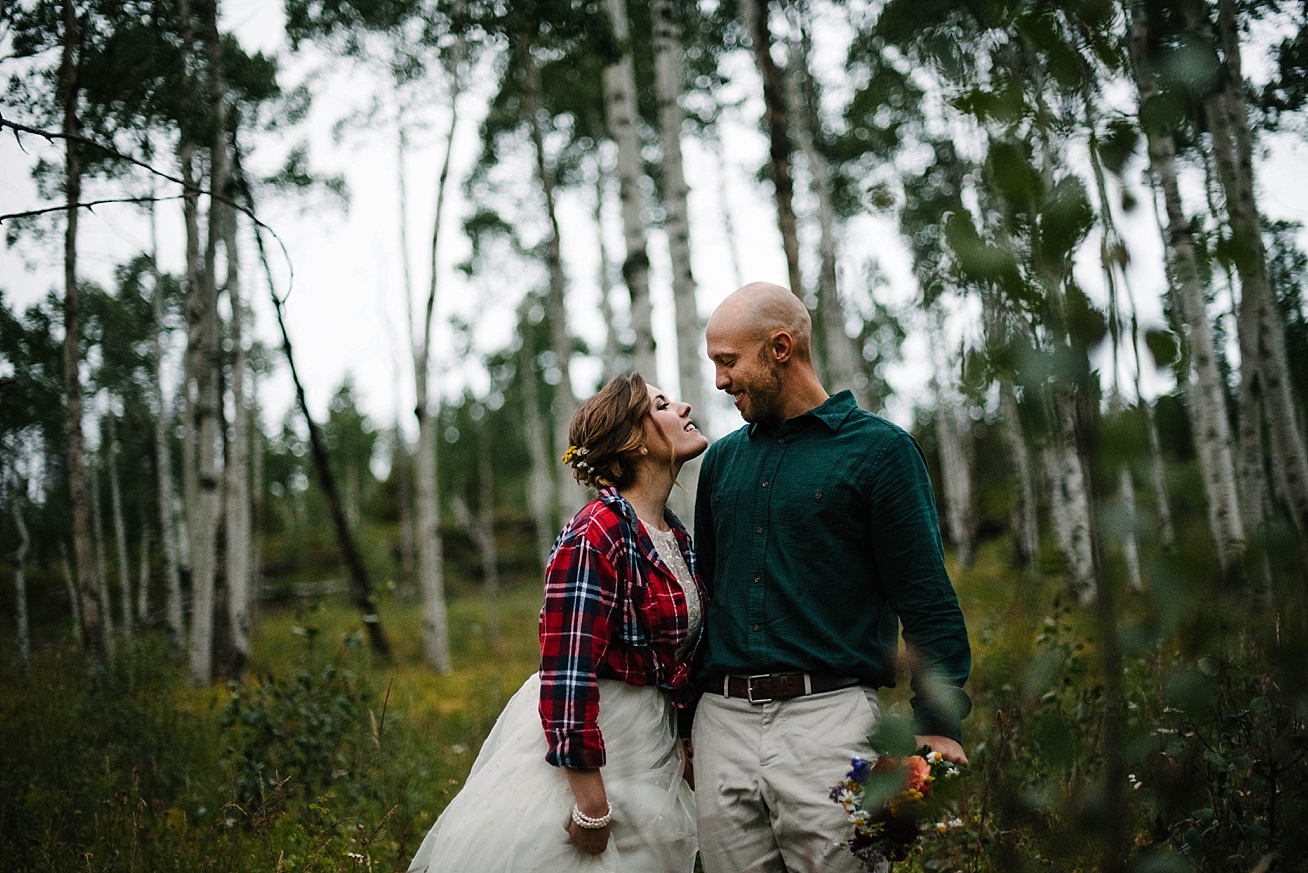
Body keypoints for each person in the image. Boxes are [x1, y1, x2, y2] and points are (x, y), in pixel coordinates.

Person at [691, 282, 972, 873]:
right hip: (722, 725)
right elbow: (706, 597)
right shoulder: (721, 461)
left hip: (830, 722)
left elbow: (925, 599)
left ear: (781, 348)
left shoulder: (880, 452)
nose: (719, 382)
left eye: (728, 361)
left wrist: (938, 727)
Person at [407, 374, 710, 873]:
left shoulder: (673, 533)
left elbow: (672, 661)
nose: (683, 406)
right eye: (661, 404)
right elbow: (567, 668)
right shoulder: (597, 530)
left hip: (651, 746)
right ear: (634, 440)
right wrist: (590, 801)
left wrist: (685, 737)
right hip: (600, 747)